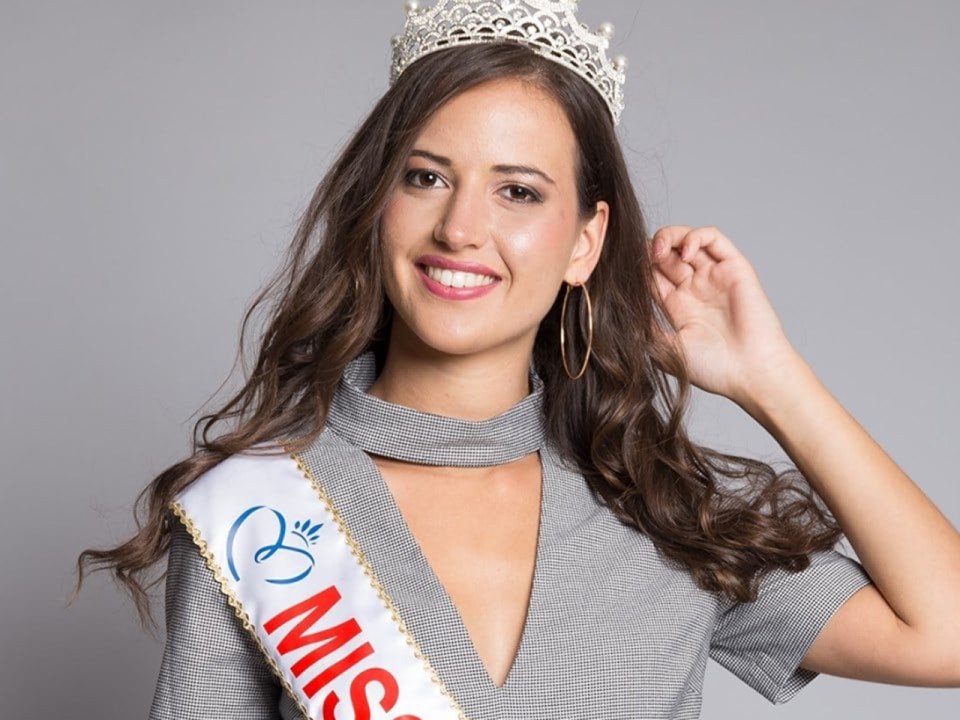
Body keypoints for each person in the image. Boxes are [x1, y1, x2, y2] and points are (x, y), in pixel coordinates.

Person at [73, 1, 960, 718]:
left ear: (586, 241)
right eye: (424, 177)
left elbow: (946, 635)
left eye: (518, 192)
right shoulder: (263, 517)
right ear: (375, 205)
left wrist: (769, 378)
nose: (461, 227)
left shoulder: (655, 507)